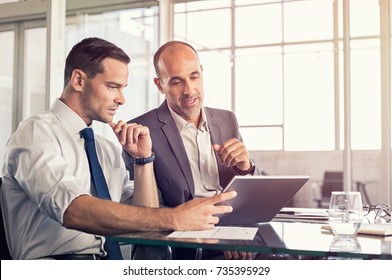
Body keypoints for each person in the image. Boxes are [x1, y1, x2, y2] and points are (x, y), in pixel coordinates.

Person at [0, 37, 236, 260]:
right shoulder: (36, 133)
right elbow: (73, 210)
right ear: (79, 80)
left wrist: (143, 161)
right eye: (113, 87)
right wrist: (175, 217)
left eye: (123, 88)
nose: (122, 99)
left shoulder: (106, 150)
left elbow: (145, 223)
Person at [123, 40, 264, 260]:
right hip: (183, 247)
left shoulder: (227, 119)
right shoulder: (142, 131)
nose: (189, 90)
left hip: (234, 234)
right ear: (160, 85)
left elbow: (251, 195)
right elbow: (147, 215)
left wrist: (246, 167)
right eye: (177, 81)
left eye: (194, 77)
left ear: (202, 73)